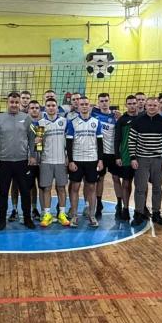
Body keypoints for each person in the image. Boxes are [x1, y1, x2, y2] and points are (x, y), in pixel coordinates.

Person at [0, 92, 37, 230]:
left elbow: (32, 138)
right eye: (12, 102)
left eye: (16, 102)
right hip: (4, 162)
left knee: (25, 192)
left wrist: (32, 155)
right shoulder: (0, 119)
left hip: (22, 161)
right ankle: (1, 220)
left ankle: (27, 219)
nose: (14, 105)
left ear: (19, 103)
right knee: (3, 192)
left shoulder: (26, 118)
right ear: (7, 103)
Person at [128, 97, 162, 227]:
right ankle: (138, 213)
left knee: (157, 188)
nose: (152, 107)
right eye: (149, 105)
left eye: (154, 105)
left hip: (158, 160)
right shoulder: (138, 121)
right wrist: (133, 158)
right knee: (140, 188)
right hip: (141, 160)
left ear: (158, 106)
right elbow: (132, 140)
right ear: (145, 106)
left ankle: (156, 213)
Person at [66, 96, 104, 228]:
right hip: (77, 160)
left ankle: (92, 215)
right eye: (81, 104)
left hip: (92, 160)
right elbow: (69, 143)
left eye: (86, 104)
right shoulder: (72, 122)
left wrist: (100, 160)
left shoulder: (96, 122)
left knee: (92, 187)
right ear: (78, 106)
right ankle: (74, 215)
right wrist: (71, 160)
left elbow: (100, 142)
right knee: (75, 187)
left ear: (90, 106)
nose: (84, 106)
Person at [37, 97, 70, 227]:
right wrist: (38, 156)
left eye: (53, 105)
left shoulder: (64, 122)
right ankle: (47, 214)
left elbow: (69, 141)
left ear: (57, 107)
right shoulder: (40, 123)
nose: (51, 108)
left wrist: (68, 156)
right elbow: (38, 144)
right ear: (45, 108)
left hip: (61, 160)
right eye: (48, 105)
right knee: (46, 188)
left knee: (61, 188)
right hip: (46, 160)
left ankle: (62, 213)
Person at [91, 93, 121, 219]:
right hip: (100, 154)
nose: (104, 103)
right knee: (100, 179)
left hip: (113, 153)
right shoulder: (94, 114)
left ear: (109, 101)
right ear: (98, 103)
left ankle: (119, 204)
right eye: (101, 101)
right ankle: (99, 204)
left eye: (106, 100)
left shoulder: (116, 116)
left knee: (116, 178)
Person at [114, 95, 139, 222]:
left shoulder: (142, 118)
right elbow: (117, 139)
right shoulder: (122, 120)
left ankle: (141, 209)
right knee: (126, 183)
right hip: (126, 156)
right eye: (129, 103)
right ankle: (125, 208)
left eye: (134, 103)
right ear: (126, 105)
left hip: (141, 157)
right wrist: (117, 156)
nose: (132, 105)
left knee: (141, 185)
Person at [26, 100, 44, 219]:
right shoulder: (24, 124)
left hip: (41, 161)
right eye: (32, 108)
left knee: (42, 186)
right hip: (28, 161)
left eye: (37, 108)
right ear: (28, 110)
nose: (34, 110)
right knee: (28, 187)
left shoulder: (42, 124)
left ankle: (40, 211)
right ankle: (28, 212)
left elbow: (40, 145)